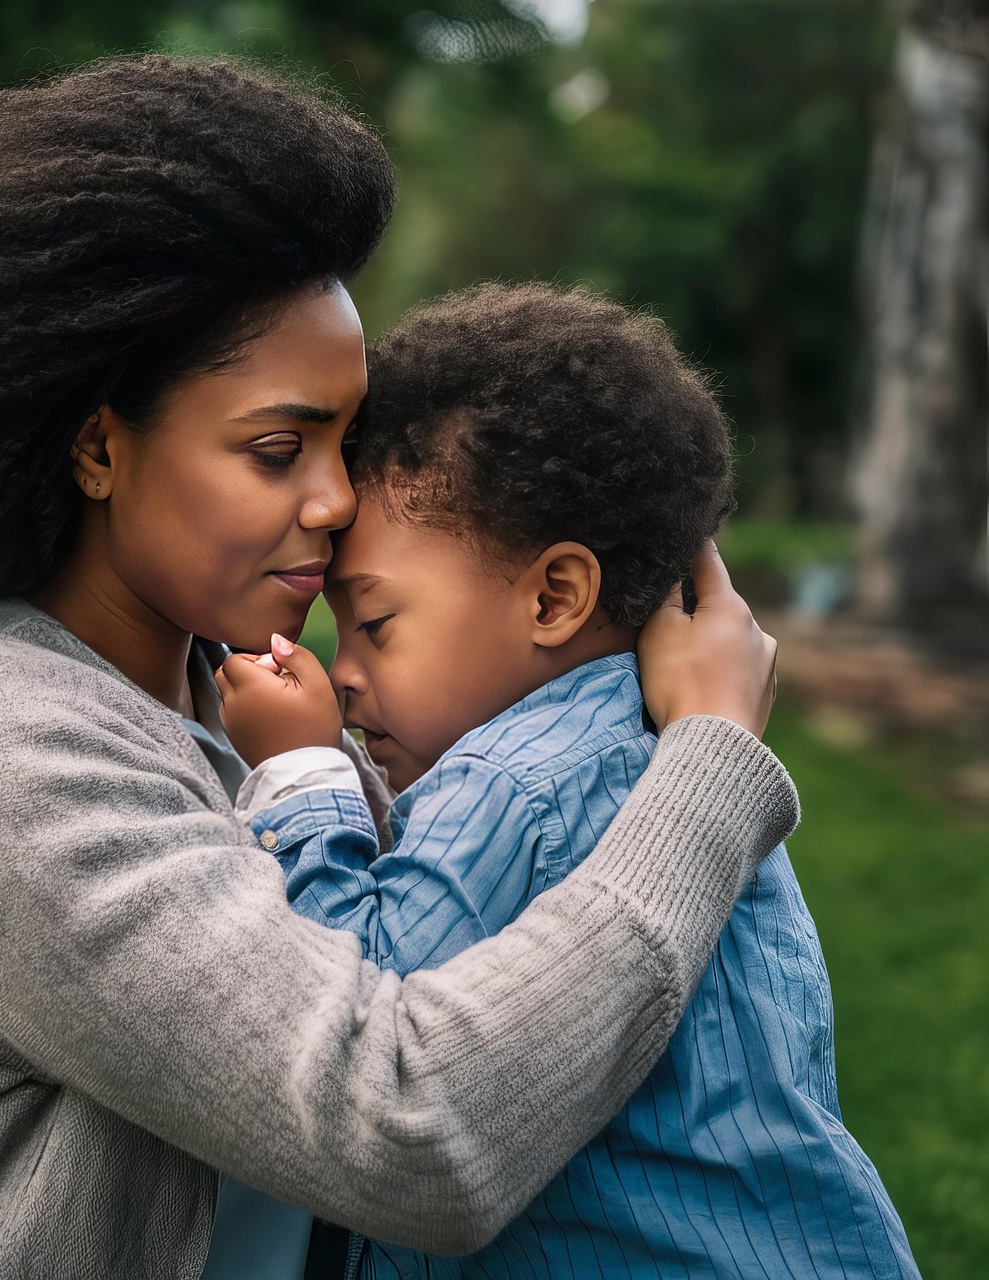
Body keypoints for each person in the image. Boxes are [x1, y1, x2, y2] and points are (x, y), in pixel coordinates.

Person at [0, 56, 796, 1279]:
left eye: (343, 439)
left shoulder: (259, 705)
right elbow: (411, 1128)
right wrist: (707, 770)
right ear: (98, 446)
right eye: (277, 447)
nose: (333, 500)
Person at [217, 283, 920, 1279]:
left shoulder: (521, 778)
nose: (343, 669)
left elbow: (351, 992)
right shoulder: (632, 746)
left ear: (553, 595)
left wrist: (297, 770)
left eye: (373, 622)